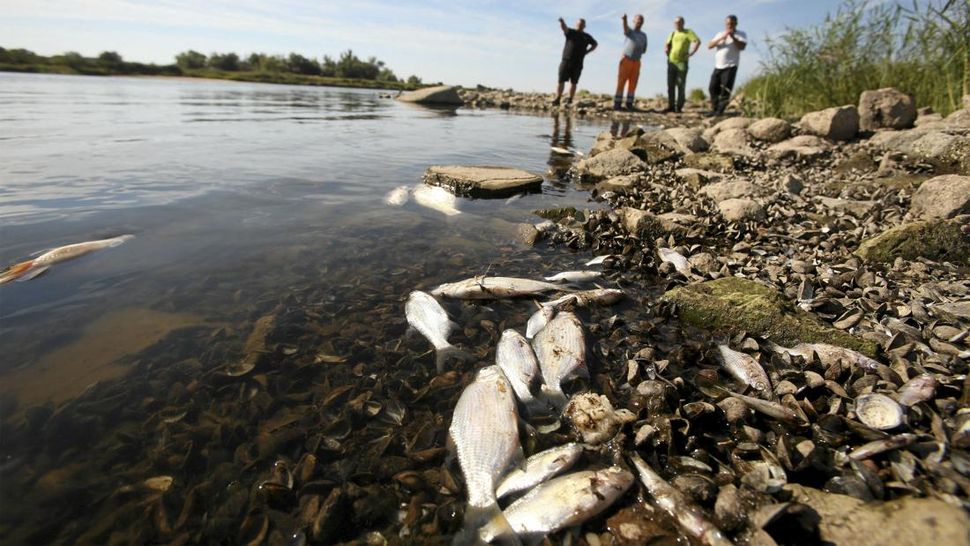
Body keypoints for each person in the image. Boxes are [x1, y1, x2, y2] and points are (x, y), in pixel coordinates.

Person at [707, 14, 747, 116]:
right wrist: (722, 38)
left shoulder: (741, 34)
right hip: (718, 65)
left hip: (731, 65)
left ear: (736, 24)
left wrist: (732, 36)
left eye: (731, 24)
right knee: (712, 87)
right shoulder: (720, 34)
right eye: (727, 24)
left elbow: (742, 47)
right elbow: (709, 45)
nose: (729, 25)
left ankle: (720, 111)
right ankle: (714, 109)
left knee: (725, 89)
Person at [554, 17, 597, 107]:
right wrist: (562, 22)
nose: (580, 25)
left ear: (584, 26)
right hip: (566, 60)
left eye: (582, 24)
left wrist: (587, 52)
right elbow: (564, 28)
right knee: (561, 80)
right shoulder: (571, 32)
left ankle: (570, 99)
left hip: (578, 62)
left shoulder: (587, 36)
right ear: (576, 24)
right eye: (579, 23)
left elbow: (595, 44)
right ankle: (558, 99)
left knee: (574, 82)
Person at [663, 17, 700, 113]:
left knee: (680, 84)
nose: (677, 24)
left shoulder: (688, 32)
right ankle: (671, 106)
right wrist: (666, 49)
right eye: (675, 22)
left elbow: (697, 41)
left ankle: (679, 107)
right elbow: (666, 44)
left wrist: (691, 53)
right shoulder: (672, 33)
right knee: (670, 85)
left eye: (679, 22)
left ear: (683, 23)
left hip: (682, 62)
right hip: (671, 62)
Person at [614, 13, 647, 111]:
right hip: (626, 59)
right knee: (621, 82)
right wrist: (624, 20)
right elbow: (625, 28)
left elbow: (644, 49)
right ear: (634, 21)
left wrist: (639, 49)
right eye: (637, 19)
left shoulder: (644, 35)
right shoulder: (630, 31)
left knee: (633, 83)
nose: (639, 21)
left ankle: (629, 104)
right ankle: (617, 104)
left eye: (641, 20)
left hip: (636, 61)